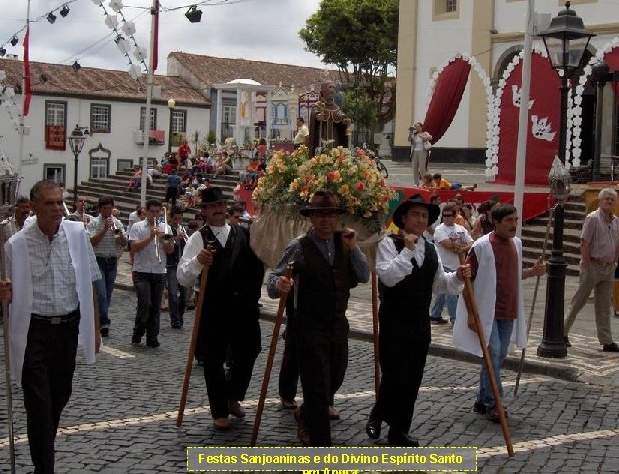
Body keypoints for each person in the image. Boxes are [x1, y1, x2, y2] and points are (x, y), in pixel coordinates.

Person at [0, 180, 101, 473]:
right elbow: (7, 288)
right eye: (50, 203)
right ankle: (45, 468)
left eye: (59, 202)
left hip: (66, 328)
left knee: (60, 394)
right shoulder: (17, 244)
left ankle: (42, 444)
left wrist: (95, 329)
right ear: (34, 206)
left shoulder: (77, 235)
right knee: (39, 405)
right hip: (34, 332)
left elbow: (91, 282)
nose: (57, 208)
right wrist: (2, 292)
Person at [268, 191, 370, 446]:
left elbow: (364, 275)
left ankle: (306, 414)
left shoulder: (345, 243)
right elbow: (273, 280)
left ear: (337, 217)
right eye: (319, 214)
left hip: (337, 323)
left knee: (335, 377)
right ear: (311, 217)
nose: (325, 220)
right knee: (315, 384)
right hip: (308, 325)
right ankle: (320, 444)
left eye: (330, 214)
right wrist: (279, 284)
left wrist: (354, 247)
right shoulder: (299, 246)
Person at [366, 194, 467, 446]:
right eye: (416, 215)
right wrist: (407, 252)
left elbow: (440, 284)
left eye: (424, 216)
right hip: (394, 319)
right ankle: (378, 415)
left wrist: (459, 277)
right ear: (403, 218)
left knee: (413, 377)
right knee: (395, 373)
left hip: (420, 322)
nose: (421, 220)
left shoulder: (431, 249)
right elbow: (388, 277)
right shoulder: (389, 244)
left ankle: (399, 430)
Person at [178, 187, 265, 430]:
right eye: (212, 205)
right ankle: (219, 410)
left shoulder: (243, 234)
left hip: (243, 309)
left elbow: (257, 266)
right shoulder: (198, 238)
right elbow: (182, 277)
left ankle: (232, 394)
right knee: (213, 359)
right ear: (204, 210)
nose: (218, 209)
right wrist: (198, 261)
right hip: (214, 308)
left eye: (220, 204)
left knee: (249, 352)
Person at [453, 204, 545, 422]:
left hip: (508, 309)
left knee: (497, 355)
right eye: (509, 221)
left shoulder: (517, 243)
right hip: (487, 311)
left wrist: (532, 272)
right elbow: (467, 279)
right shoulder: (482, 246)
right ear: (496, 222)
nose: (514, 225)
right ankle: (494, 402)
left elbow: (512, 274)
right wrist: (471, 313)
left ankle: (481, 399)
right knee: (493, 353)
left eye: (516, 220)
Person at [564, 188, 619, 352]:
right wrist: (587, 264)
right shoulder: (592, 218)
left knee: (604, 305)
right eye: (606, 199)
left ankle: (607, 340)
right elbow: (584, 242)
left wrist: (614, 262)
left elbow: (618, 244)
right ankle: (562, 332)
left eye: (612, 200)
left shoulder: (616, 221)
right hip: (593, 265)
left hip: (608, 267)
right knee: (579, 301)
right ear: (600, 201)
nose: (609, 202)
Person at [128, 199, 174, 348]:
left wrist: (164, 240)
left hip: (159, 271)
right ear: (146, 211)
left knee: (155, 307)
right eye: (152, 211)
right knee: (145, 304)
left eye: (157, 211)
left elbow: (170, 251)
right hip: (141, 271)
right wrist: (150, 237)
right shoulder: (137, 226)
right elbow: (133, 247)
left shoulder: (165, 227)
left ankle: (152, 338)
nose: (155, 214)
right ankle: (138, 331)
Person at [0, 197, 32, 323]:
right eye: (22, 207)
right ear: (16, 208)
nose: (25, 210)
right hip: (9, 268)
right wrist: (8, 253)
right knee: (7, 295)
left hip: (28, 269)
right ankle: (5, 317)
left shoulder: (32, 225)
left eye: (27, 207)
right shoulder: (5, 226)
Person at [88, 196, 126, 337]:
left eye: (110, 208)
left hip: (112, 262)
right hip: (98, 261)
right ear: (99, 209)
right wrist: (104, 229)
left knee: (108, 294)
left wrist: (119, 233)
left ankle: (99, 319)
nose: (108, 211)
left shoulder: (118, 223)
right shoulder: (93, 223)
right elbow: (92, 242)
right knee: (102, 294)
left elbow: (122, 244)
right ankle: (104, 322)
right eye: (105, 208)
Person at [430, 202, 474, 325]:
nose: (447, 218)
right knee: (451, 293)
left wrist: (463, 249)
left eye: (449, 215)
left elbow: (470, 242)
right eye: (444, 215)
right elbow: (447, 244)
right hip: (443, 264)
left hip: (458, 264)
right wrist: (461, 247)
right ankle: (455, 318)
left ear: (455, 216)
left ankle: (435, 314)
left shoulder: (461, 229)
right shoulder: (439, 229)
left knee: (443, 292)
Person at [165, 206, 189, 327]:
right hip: (171, 265)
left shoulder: (184, 229)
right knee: (173, 294)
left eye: (180, 219)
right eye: (175, 219)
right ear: (171, 218)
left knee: (184, 294)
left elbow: (189, 247)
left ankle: (180, 315)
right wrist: (175, 239)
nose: (177, 222)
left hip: (183, 265)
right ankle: (175, 319)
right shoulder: (167, 229)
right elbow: (166, 245)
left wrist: (186, 240)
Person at [408, 122, 432, 186]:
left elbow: (430, 137)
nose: (416, 128)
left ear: (421, 127)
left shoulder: (425, 133)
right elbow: (409, 139)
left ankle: (424, 182)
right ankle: (416, 183)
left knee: (422, 168)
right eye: (415, 126)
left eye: (418, 126)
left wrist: (422, 136)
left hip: (422, 151)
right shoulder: (414, 134)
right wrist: (410, 132)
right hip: (414, 152)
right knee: (414, 168)